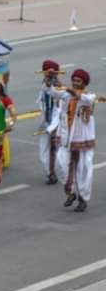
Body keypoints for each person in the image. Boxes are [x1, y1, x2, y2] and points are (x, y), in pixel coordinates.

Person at [50, 69, 99, 212]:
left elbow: (85, 99)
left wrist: (70, 90)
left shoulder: (89, 96)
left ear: (84, 83)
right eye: (74, 80)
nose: (75, 83)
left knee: (83, 170)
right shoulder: (66, 94)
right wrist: (50, 80)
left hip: (82, 139)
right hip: (67, 138)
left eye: (78, 81)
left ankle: (83, 198)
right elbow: (52, 92)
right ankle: (71, 193)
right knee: (61, 163)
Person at [37, 60, 64, 185]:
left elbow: (58, 97)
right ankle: (50, 172)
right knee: (44, 150)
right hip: (45, 120)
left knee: (55, 149)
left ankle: (54, 173)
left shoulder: (58, 85)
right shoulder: (44, 82)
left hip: (55, 121)